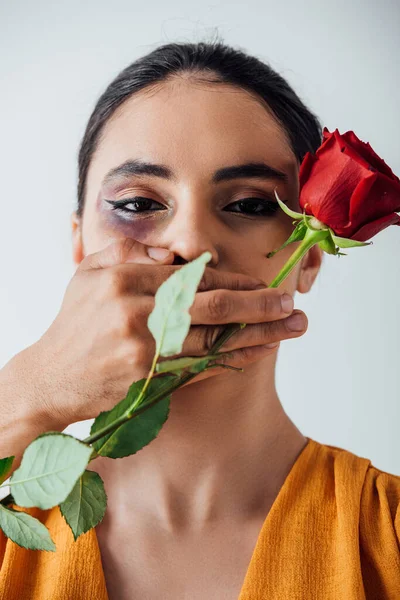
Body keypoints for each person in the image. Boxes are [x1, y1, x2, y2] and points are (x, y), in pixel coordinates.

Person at [0, 39, 399, 600]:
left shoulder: (388, 538)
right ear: (79, 248)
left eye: (252, 204)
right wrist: (27, 393)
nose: (190, 243)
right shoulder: (9, 521)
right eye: (138, 203)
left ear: (310, 254)